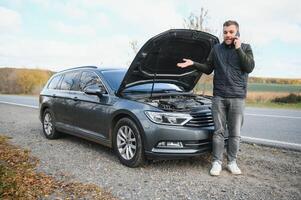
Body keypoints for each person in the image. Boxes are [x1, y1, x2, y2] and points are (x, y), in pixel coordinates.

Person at [177, 20, 255, 176]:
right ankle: (217, 162)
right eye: (225, 32)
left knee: (234, 133)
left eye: (231, 32)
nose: (228, 35)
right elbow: (208, 69)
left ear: (237, 33)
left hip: (237, 97)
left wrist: (239, 49)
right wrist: (193, 63)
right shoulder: (216, 49)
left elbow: (249, 67)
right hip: (219, 97)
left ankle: (232, 162)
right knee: (218, 131)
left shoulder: (246, 48)